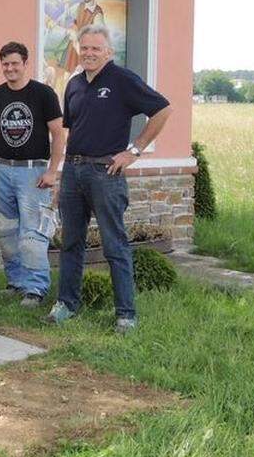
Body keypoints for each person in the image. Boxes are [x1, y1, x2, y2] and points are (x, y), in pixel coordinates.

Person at [46, 25, 172, 333]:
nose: (89, 53)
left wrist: (133, 151)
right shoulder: (74, 85)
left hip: (106, 173)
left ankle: (125, 315)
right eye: (85, 48)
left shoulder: (122, 80)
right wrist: (62, 175)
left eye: (96, 49)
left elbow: (163, 110)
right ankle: (66, 304)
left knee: (115, 245)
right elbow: (72, 132)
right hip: (74, 172)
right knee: (71, 242)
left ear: (108, 52)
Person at [0, 42, 65, 308]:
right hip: (1, 169)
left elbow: (59, 134)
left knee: (33, 234)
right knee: (6, 230)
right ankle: (15, 282)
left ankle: (35, 288)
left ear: (26, 63)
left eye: (15, 63)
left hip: (33, 171)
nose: (10, 68)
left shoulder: (44, 94)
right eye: (5, 64)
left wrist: (52, 171)